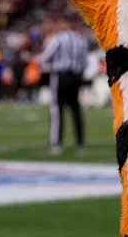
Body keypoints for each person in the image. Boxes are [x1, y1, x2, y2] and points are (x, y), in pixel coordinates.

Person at [36, 18, 90, 155]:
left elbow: (46, 56)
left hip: (60, 76)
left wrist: (35, 60)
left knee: (57, 110)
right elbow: (85, 62)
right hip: (76, 76)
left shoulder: (58, 38)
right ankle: (80, 143)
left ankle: (56, 144)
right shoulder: (81, 39)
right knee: (75, 109)